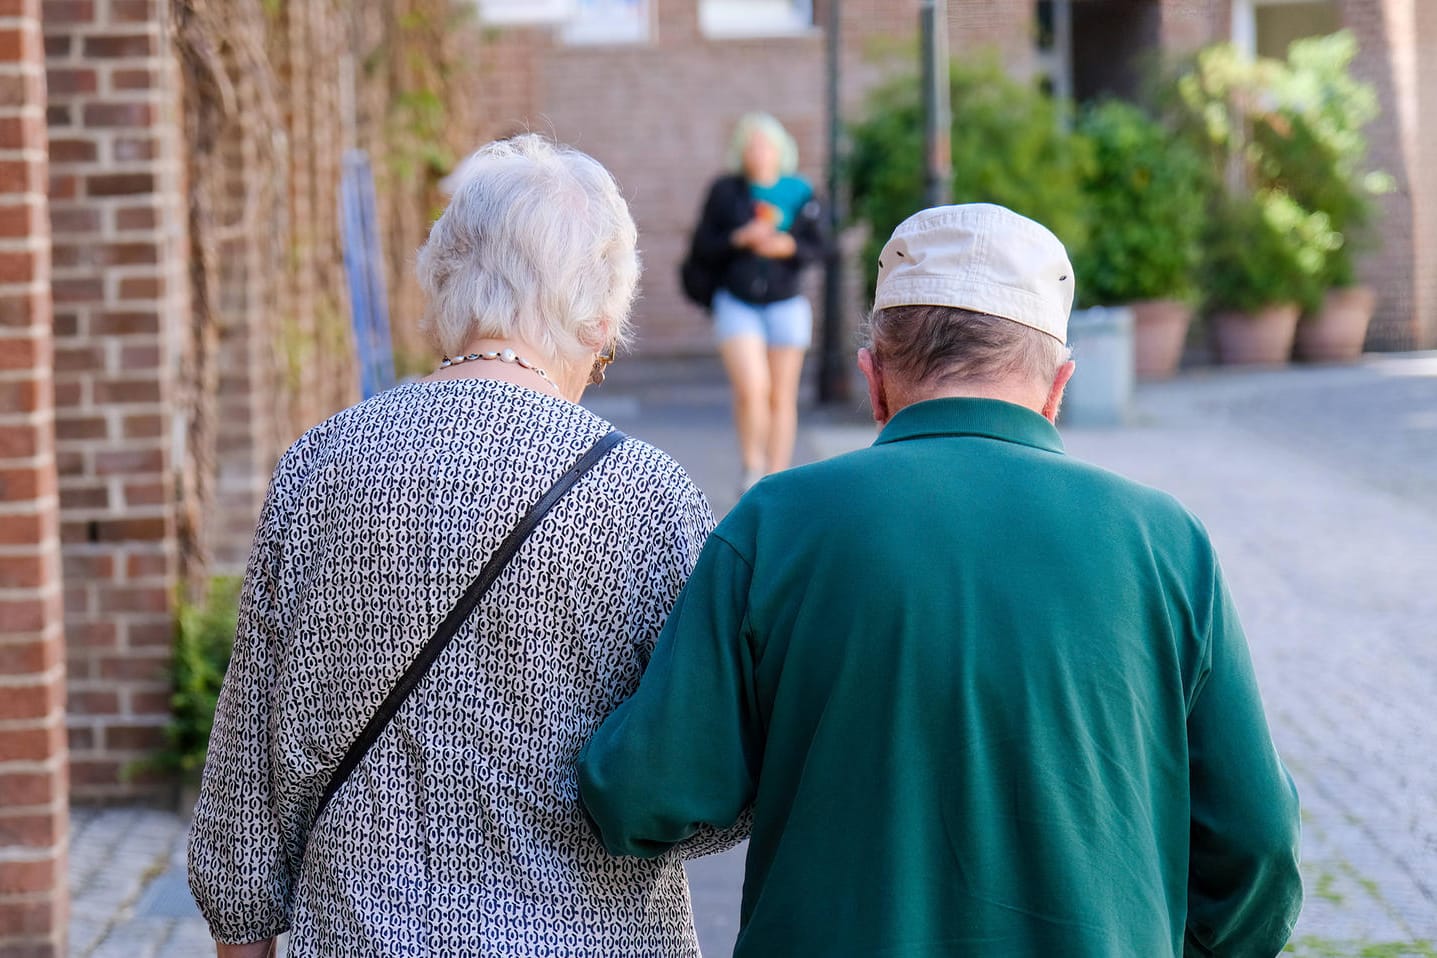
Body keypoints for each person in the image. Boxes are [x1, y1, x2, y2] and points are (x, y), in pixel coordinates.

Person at [579, 203, 1304, 957]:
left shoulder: (777, 523)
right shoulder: (1165, 543)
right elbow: (1257, 844)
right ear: (1058, 385)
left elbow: (643, 794)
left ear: (874, 377)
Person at [188, 135, 742, 958]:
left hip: (357, 935)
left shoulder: (320, 466)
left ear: (443, 277)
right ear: (598, 314)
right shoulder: (648, 498)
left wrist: (242, 935)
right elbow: (701, 782)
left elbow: (246, 779)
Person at [688, 112, 826, 492]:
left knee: (782, 395)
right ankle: (752, 468)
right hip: (738, 301)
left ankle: (776, 476)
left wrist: (789, 245)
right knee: (752, 388)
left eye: (765, 146)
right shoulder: (726, 192)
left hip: (786, 302)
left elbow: (821, 244)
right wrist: (739, 238)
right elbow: (701, 245)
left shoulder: (800, 193)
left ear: (780, 151)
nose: (758, 153)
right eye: (751, 145)